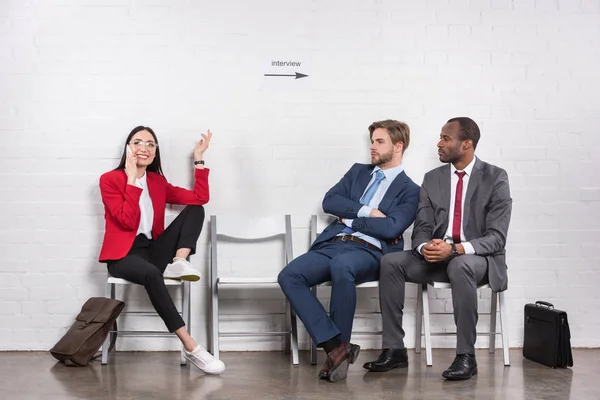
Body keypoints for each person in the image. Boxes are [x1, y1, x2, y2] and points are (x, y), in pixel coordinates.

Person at [363, 117, 512, 380]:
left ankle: (466, 356)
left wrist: (454, 250)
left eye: (445, 138)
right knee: (391, 262)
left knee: (460, 263)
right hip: (437, 258)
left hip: (476, 260)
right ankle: (395, 349)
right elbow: (422, 225)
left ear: (466, 144)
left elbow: (496, 238)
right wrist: (423, 247)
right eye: (440, 137)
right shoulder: (433, 179)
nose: (439, 144)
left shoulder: (495, 177)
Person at [278, 120, 420, 382]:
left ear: (398, 146)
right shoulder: (358, 172)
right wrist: (369, 212)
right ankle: (337, 348)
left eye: (380, 142)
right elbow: (330, 201)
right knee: (289, 275)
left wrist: (350, 218)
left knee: (342, 266)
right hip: (333, 243)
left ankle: (337, 353)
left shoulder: (411, 191)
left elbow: (390, 228)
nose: (372, 147)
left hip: (369, 251)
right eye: (372, 141)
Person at [98, 125, 225, 375]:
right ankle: (190, 345)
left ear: (155, 153)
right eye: (137, 142)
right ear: (128, 148)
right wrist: (132, 180)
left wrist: (199, 157)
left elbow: (200, 198)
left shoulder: (157, 182)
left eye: (150, 144)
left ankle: (179, 261)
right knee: (151, 274)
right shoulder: (110, 180)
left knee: (195, 209)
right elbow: (125, 221)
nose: (144, 147)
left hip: (152, 250)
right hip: (123, 255)